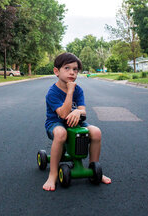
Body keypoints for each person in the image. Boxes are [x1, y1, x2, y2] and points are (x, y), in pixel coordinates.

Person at [42, 52, 112, 191]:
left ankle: (94, 168)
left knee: (96, 132)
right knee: (61, 133)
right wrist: (69, 92)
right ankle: (53, 174)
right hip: (56, 124)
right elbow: (62, 114)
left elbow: (83, 111)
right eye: (67, 68)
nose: (72, 72)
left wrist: (78, 111)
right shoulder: (53, 92)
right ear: (56, 71)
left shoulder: (78, 90)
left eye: (75, 69)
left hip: (76, 123)